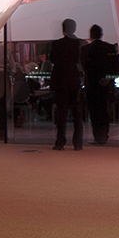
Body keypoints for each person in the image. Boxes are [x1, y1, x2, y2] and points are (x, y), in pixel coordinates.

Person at [48, 18, 85, 150]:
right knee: (77, 113)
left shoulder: (57, 44)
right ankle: (78, 143)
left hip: (61, 80)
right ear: (74, 29)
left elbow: (52, 59)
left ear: (63, 29)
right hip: (74, 80)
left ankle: (60, 142)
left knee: (62, 113)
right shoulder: (80, 44)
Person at [80, 24, 119, 145]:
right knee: (104, 109)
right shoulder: (109, 48)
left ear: (91, 35)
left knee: (94, 110)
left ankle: (97, 136)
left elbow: (86, 68)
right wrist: (107, 78)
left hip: (92, 84)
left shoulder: (86, 49)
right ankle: (104, 134)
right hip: (105, 84)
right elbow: (116, 66)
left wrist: (94, 79)